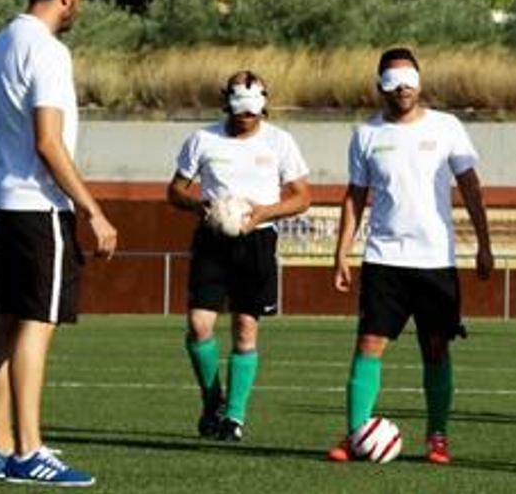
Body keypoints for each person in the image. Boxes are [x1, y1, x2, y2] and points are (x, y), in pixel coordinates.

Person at [0, 0, 116, 486]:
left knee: (2, 323)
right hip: (37, 207)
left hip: (1, 201)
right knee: (35, 326)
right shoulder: (48, 52)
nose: (77, 6)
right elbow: (48, 142)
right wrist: (93, 210)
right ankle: (29, 452)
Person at [327, 48, 494, 465]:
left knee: (436, 347)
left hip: (436, 260)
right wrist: (342, 252)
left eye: (408, 79)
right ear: (379, 85)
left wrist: (484, 244)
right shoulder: (366, 135)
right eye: (392, 81)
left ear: (419, 81)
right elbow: (355, 196)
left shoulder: (447, 127)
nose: (402, 88)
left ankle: (437, 435)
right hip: (385, 258)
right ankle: (356, 433)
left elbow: (471, 186)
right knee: (368, 344)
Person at [168, 71, 311, 442]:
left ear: (264, 103)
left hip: (257, 241)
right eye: (240, 109)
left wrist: (264, 213)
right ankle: (212, 398)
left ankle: (234, 416)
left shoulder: (280, 142)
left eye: (254, 109)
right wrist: (199, 206)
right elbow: (175, 190)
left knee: (245, 329)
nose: (247, 116)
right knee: (199, 325)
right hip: (212, 239)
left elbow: (302, 197)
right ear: (226, 102)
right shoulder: (202, 139)